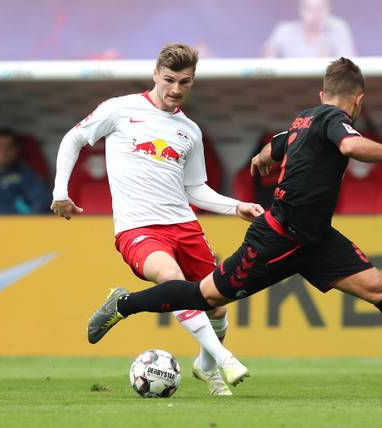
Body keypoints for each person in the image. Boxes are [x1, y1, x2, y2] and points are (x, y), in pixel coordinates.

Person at [88, 57, 382, 383]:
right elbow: (350, 147)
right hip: (277, 238)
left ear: (322, 93)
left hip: (316, 240)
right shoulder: (335, 120)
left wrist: (260, 159)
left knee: (380, 289)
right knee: (204, 296)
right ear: (359, 100)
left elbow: (275, 146)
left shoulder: (304, 120)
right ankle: (123, 304)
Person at [51, 44, 263, 396]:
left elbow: (194, 188)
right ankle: (224, 359)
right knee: (171, 278)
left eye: (185, 82)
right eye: (169, 80)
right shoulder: (120, 109)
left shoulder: (189, 131)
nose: (176, 89)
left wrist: (235, 206)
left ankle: (206, 366)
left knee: (216, 305)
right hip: (138, 228)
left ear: (192, 82)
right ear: (155, 74)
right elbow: (74, 139)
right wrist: (61, 191)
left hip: (185, 226)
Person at [263, 0, 356, 58]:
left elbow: (348, 65)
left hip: (328, 82)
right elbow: (267, 59)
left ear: (328, 9)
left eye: (320, 8)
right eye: (309, 8)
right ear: (301, 10)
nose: (315, 13)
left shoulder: (339, 29)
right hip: (291, 82)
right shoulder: (284, 30)